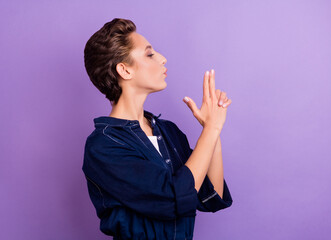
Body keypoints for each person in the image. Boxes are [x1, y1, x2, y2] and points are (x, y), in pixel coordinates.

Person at [82, 18, 233, 240]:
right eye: (149, 54)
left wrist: (213, 130)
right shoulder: (103, 146)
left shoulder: (168, 131)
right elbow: (173, 200)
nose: (162, 59)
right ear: (124, 70)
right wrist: (210, 130)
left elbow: (211, 197)